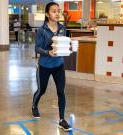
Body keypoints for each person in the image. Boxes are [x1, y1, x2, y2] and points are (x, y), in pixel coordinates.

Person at [32, 2, 72, 132]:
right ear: (47, 14)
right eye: (54, 11)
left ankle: (62, 119)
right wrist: (47, 52)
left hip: (59, 65)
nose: (57, 13)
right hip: (44, 65)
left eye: (58, 11)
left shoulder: (62, 28)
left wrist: (68, 48)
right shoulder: (42, 30)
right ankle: (34, 106)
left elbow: (63, 43)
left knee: (61, 91)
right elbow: (37, 48)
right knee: (41, 90)